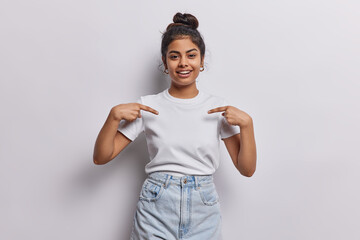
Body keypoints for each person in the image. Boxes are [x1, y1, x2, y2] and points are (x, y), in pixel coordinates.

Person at [93, 12, 257, 240]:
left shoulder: (217, 108)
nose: (183, 63)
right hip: (156, 207)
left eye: (191, 55)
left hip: (204, 209)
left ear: (201, 60)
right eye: (174, 56)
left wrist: (247, 126)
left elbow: (247, 169)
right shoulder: (148, 106)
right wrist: (112, 118)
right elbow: (101, 157)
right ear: (164, 62)